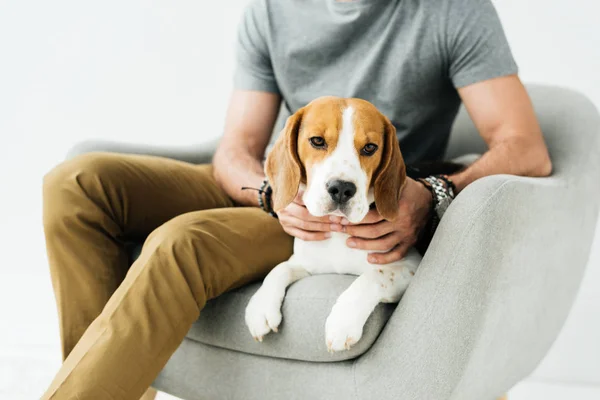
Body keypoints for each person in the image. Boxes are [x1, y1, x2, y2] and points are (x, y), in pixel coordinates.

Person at [41, 0, 551, 399]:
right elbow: (238, 147)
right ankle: (114, 387)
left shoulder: (451, 11)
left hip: (347, 213)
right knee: (76, 185)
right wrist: (273, 192)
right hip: (276, 183)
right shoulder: (272, 10)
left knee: (180, 243)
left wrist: (436, 193)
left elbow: (526, 149)